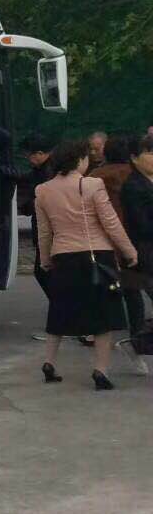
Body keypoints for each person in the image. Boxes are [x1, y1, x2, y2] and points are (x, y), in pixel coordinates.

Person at [35, 138, 138, 389]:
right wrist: (129, 251)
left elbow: (44, 232)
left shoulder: (43, 190)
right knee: (103, 314)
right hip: (96, 256)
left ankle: (49, 362)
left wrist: (46, 259)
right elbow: (110, 223)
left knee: (59, 311)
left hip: (63, 256)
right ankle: (100, 371)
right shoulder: (92, 185)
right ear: (79, 159)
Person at [90, 136, 150, 372]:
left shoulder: (95, 178)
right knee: (134, 295)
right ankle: (136, 343)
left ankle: (124, 343)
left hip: (108, 245)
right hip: (137, 245)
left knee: (123, 294)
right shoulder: (137, 178)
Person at [120, 135, 153, 354]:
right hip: (141, 251)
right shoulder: (133, 186)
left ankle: (140, 339)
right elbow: (141, 223)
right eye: (150, 153)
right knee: (134, 296)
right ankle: (139, 340)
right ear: (134, 158)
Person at [17, 135, 54, 299]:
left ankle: (61, 305)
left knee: (43, 271)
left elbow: (42, 200)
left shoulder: (49, 172)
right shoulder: (42, 170)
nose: (28, 160)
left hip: (48, 230)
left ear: (39, 153)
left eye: (29, 156)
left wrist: (27, 206)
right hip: (44, 229)